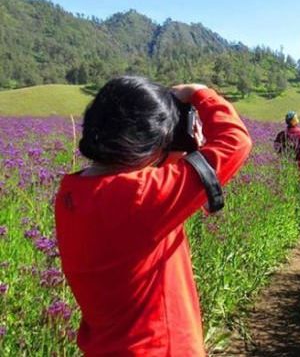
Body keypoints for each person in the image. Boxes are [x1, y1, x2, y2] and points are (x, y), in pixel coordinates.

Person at [54, 76, 252, 356]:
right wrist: (200, 93)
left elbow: (138, 202)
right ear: (153, 140)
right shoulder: (141, 196)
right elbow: (236, 142)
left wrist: (168, 152)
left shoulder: (70, 194)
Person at [274, 111, 300, 183]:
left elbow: (276, 147)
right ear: (293, 121)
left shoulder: (281, 135)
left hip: (287, 167)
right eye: (296, 117)